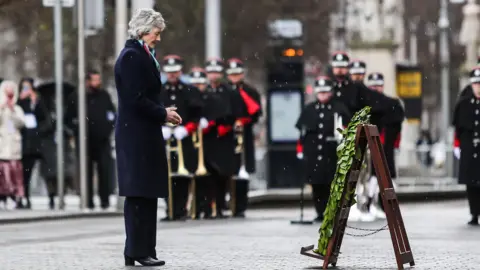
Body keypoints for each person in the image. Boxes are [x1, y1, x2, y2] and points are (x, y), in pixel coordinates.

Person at [114, 8, 182, 266]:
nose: (158, 38)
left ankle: (143, 249)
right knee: (138, 193)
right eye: (156, 32)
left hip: (143, 133)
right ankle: (137, 250)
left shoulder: (141, 54)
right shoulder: (131, 57)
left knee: (146, 192)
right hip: (136, 136)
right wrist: (162, 113)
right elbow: (135, 99)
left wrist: (163, 112)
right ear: (143, 31)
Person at [295, 76, 351, 222]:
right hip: (314, 154)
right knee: (316, 184)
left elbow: (346, 129)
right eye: (320, 92)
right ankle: (320, 212)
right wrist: (300, 150)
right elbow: (303, 133)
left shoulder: (339, 108)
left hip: (331, 154)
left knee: (330, 184)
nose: (323, 95)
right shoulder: (309, 109)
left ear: (331, 92)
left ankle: (331, 212)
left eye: (325, 92)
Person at [65, 70, 116, 210]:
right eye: (94, 80)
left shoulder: (104, 95)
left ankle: (104, 200)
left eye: (98, 80)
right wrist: (76, 130)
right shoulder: (77, 97)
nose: (97, 83)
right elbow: (68, 118)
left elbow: (112, 114)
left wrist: (108, 129)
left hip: (102, 140)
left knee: (104, 170)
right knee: (85, 171)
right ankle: (88, 200)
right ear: (87, 81)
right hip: (84, 141)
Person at [159, 55, 202, 221]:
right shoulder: (159, 90)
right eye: (169, 72)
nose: (172, 75)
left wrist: (186, 129)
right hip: (164, 139)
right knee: (166, 175)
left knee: (182, 177)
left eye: (175, 72)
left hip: (184, 139)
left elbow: (196, 116)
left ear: (180, 71)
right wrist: (161, 128)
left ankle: (181, 209)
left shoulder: (190, 91)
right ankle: (169, 209)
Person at [203, 58, 247, 218]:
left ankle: (220, 206)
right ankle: (207, 207)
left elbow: (238, 114)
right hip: (207, 138)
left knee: (223, 174)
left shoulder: (230, 92)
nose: (214, 75)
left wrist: (227, 125)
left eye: (216, 72)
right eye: (211, 72)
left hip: (224, 138)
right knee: (207, 176)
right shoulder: (203, 92)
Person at [226, 58, 262, 218]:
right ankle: (228, 202)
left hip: (244, 134)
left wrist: (244, 121)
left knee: (243, 170)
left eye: (237, 74)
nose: (235, 77)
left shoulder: (250, 90)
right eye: (232, 74)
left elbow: (256, 112)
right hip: (227, 134)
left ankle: (240, 205)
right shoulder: (225, 90)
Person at [365, 72, 404, 218]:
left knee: (384, 178)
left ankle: (383, 206)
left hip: (385, 149)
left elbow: (396, 129)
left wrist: (395, 144)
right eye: (373, 86)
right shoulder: (362, 105)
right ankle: (367, 204)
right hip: (366, 150)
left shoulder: (392, 104)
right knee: (369, 178)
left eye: (379, 86)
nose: (376, 89)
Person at [17, 77, 51, 209]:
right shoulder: (19, 102)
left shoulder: (38, 102)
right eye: (24, 87)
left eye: (28, 87)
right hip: (22, 143)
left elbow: (46, 121)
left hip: (35, 144)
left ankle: (31, 196)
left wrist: (34, 102)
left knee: (34, 171)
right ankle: (22, 197)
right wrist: (21, 100)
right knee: (22, 173)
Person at [452, 66, 480, 226]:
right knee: (471, 183)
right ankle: (474, 213)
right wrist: (457, 145)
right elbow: (458, 128)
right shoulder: (463, 103)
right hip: (469, 147)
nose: (478, 86)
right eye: (476, 84)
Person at [0, 80, 26, 209]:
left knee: (15, 174)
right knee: (3, 175)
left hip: (14, 147)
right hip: (2, 146)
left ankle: (15, 196)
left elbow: (21, 123)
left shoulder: (17, 109)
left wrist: (12, 110)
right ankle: (3, 196)